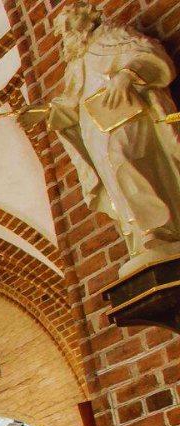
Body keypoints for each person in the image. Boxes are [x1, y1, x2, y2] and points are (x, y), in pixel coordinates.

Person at [23, 3, 180, 276]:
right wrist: (47, 112)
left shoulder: (113, 37)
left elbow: (150, 54)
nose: (65, 32)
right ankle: (142, 237)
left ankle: (163, 228)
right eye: (62, 30)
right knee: (112, 176)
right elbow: (72, 104)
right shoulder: (75, 64)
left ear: (88, 19)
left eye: (69, 24)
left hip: (129, 115)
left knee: (124, 159)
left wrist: (126, 75)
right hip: (95, 130)